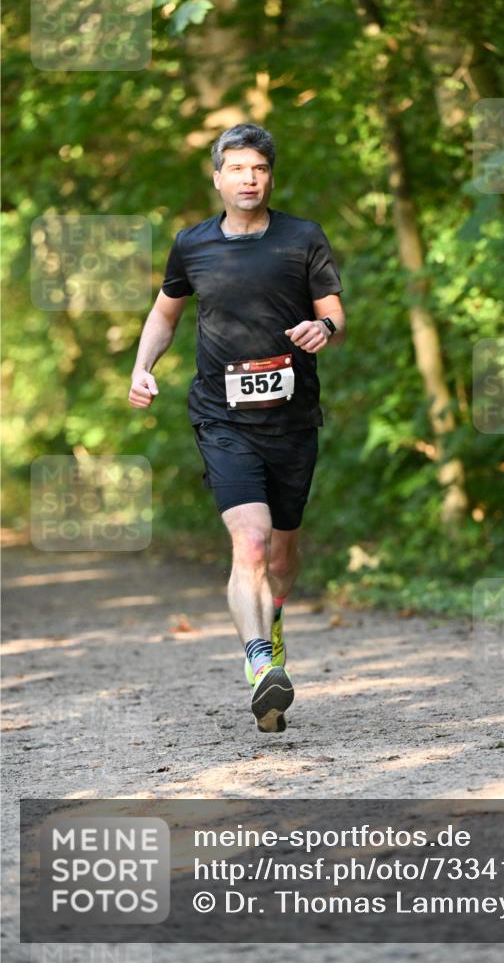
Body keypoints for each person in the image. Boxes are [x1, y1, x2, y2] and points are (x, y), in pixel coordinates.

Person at [128, 123, 345, 733]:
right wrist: (142, 367)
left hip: (293, 418)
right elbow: (164, 313)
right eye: (238, 168)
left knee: (282, 549)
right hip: (221, 416)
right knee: (249, 542)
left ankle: (270, 621)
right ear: (218, 176)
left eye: (260, 169)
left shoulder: (302, 238)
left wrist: (321, 331)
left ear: (269, 177)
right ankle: (259, 665)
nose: (249, 179)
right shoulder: (192, 245)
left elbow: (334, 314)